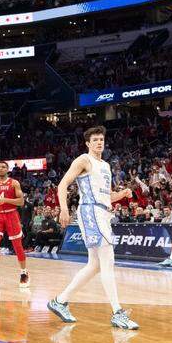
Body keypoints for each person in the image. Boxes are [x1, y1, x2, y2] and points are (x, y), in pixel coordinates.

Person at [47, 126, 139, 330]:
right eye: (95, 139)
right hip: (90, 211)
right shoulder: (83, 160)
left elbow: (107, 197)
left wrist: (122, 194)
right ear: (88, 143)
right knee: (108, 260)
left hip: (103, 212)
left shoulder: (105, 165)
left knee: (95, 265)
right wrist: (63, 209)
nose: (99, 142)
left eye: (101, 139)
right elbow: (62, 185)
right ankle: (117, 313)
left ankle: (60, 301)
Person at [0, 161, 29, 289]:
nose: (1, 169)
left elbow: (21, 201)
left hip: (11, 214)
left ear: (8, 170)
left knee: (17, 245)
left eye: (3, 167)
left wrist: (6, 200)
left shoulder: (14, 183)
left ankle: (24, 273)